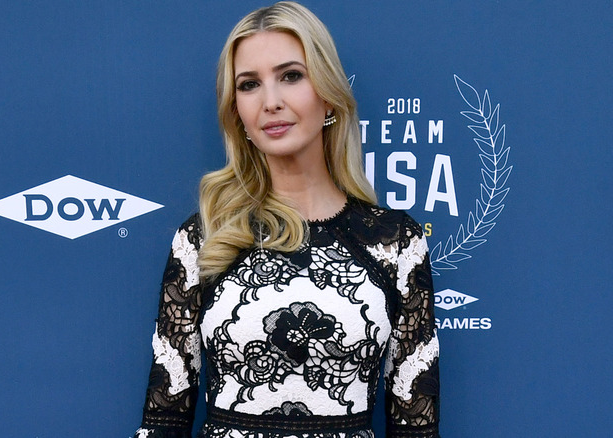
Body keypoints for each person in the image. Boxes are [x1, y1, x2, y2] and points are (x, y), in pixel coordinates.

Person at [134, 2, 439, 437]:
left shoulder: (395, 243)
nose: (271, 101)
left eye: (291, 76)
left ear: (329, 93)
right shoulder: (206, 237)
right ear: (236, 110)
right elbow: (163, 422)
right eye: (249, 84)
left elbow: (416, 429)